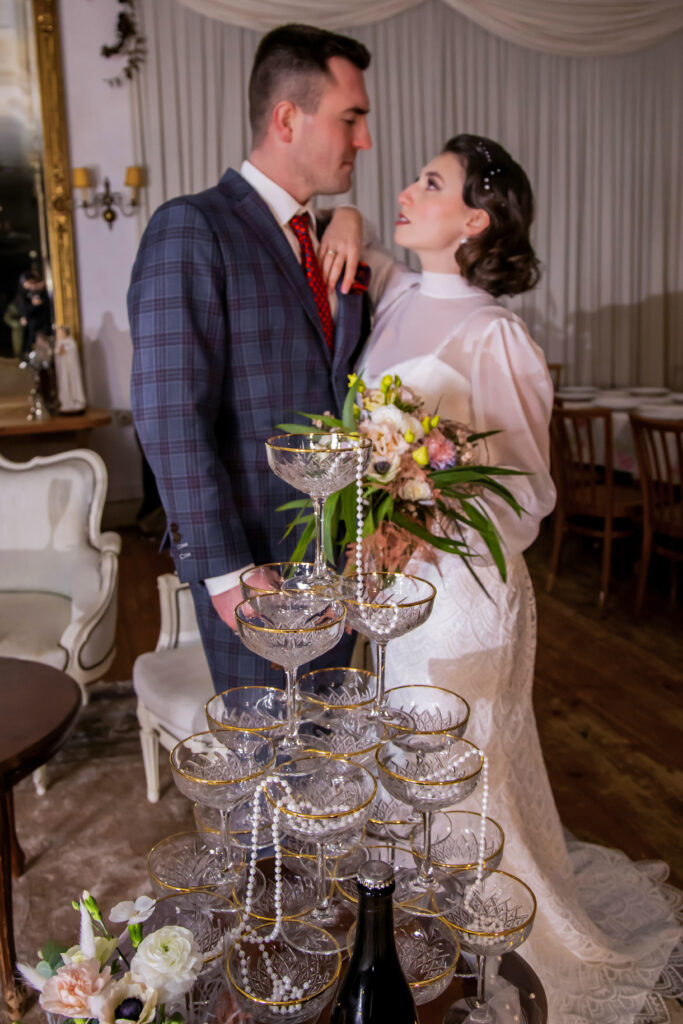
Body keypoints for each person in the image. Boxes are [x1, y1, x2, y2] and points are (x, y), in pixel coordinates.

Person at [320, 134, 681, 1024]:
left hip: (464, 595)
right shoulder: (398, 292)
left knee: (463, 764)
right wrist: (355, 214)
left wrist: (420, 518)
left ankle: (501, 940)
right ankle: (429, 929)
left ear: (473, 221)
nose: (406, 188)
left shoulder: (495, 336)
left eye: (429, 183)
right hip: (394, 588)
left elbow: (527, 499)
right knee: (407, 757)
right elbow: (333, 231)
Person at [128, 24, 372, 694]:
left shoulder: (318, 236)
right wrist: (228, 576)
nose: (364, 141)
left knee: (326, 764)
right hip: (258, 569)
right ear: (287, 118)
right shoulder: (192, 227)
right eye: (351, 119)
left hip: (335, 564)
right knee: (265, 775)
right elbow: (168, 410)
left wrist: (352, 217)